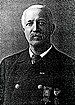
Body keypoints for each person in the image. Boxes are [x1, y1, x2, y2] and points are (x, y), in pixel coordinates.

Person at [0, 4, 75, 105]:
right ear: (24, 30)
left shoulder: (69, 66)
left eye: (41, 23)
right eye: (29, 23)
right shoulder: (8, 65)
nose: (35, 29)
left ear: (52, 28)